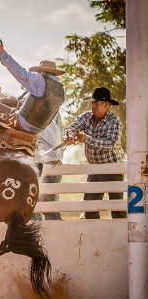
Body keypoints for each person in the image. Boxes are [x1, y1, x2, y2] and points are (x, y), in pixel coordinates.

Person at [62, 87, 127, 219]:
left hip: (112, 170)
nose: (93, 106)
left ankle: (120, 236)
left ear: (106, 105)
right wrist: (68, 135)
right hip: (94, 170)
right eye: (92, 103)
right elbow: (70, 128)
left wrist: (87, 139)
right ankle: (95, 237)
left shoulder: (114, 122)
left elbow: (110, 143)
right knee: (89, 208)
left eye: (97, 103)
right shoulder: (86, 117)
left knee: (117, 208)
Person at [35, 112, 63, 220]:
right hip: (42, 163)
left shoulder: (50, 113)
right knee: (35, 206)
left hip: (49, 164)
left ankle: (57, 233)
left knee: (49, 206)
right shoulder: (53, 112)